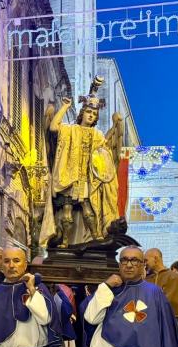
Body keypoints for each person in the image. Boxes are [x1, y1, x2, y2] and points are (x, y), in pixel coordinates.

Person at [40, 77, 119, 247]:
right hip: (68, 176)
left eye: (94, 114)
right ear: (82, 113)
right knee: (67, 212)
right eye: (88, 112)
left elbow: (104, 156)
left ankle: (97, 236)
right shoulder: (70, 129)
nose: (91, 116)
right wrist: (65, 107)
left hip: (87, 179)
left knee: (88, 211)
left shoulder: (97, 135)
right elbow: (53, 127)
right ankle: (65, 242)